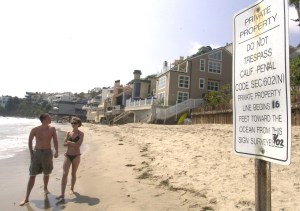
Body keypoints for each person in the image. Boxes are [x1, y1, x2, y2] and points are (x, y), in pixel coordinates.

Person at [19, 113, 59, 206]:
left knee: (46, 172)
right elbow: (29, 141)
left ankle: (45, 188)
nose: (51, 119)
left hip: (47, 153)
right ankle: (26, 198)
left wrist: (57, 151)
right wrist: (31, 153)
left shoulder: (52, 129)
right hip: (37, 153)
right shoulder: (35, 129)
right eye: (49, 117)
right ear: (44, 119)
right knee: (32, 174)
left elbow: (55, 140)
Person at [56, 116, 84, 200]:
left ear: (78, 124)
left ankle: (72, 188)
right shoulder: (68, 133)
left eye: (75, 123)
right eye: (72, 123)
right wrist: (71, 143)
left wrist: (69, 142)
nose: (73, 124)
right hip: (67, 155)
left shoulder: (81, 134)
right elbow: (64, 144)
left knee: (73, 173)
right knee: (64, 174)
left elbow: (78, 145)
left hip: (76, 156)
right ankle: (62, 194)